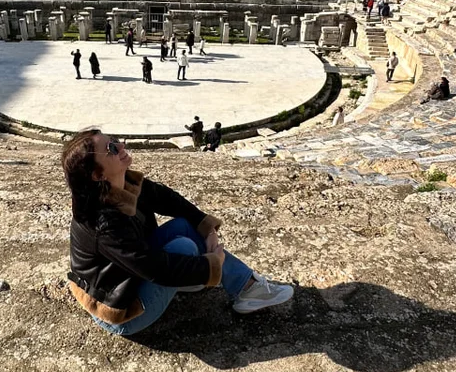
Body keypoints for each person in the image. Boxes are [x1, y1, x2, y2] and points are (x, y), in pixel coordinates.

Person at [61, 128, 295, 336]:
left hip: (130, 275)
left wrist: (206, 226)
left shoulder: (121, 185)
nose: (121, 146)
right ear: (97, 175)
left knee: (186, 225)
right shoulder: (103, 224)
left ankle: (247, 287)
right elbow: (154, 268)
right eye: (111, 148)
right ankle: (224, 281)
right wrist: (211, 264)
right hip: (119, 309)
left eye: (114, 140)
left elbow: (166, 199)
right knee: (184, 248)